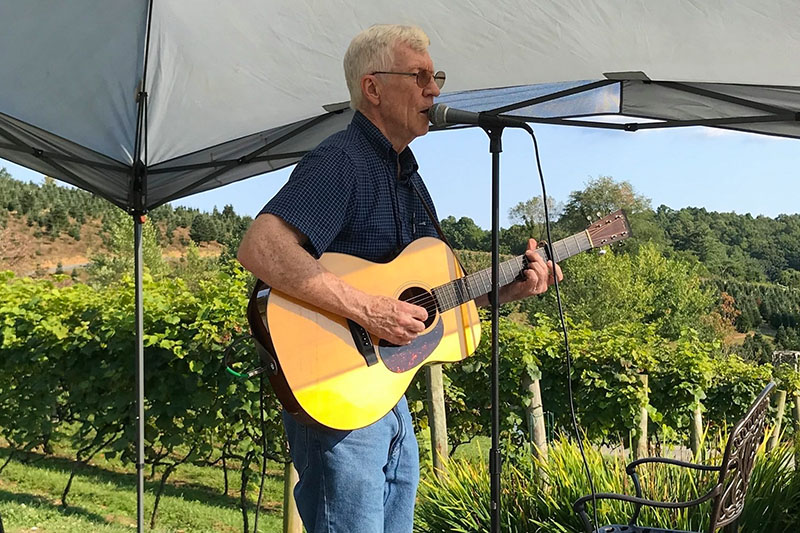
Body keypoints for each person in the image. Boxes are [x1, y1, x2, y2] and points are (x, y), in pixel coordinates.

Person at [237, 24, 562, 533]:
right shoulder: (342, 161)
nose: (435, 90)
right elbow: (261, 246)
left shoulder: (406, 176)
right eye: (420, 76)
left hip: (385, 395)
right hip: (336, 393)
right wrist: (369, 310)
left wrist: (509, 290)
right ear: (373, 88)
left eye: (437, 77)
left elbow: (430, 299)